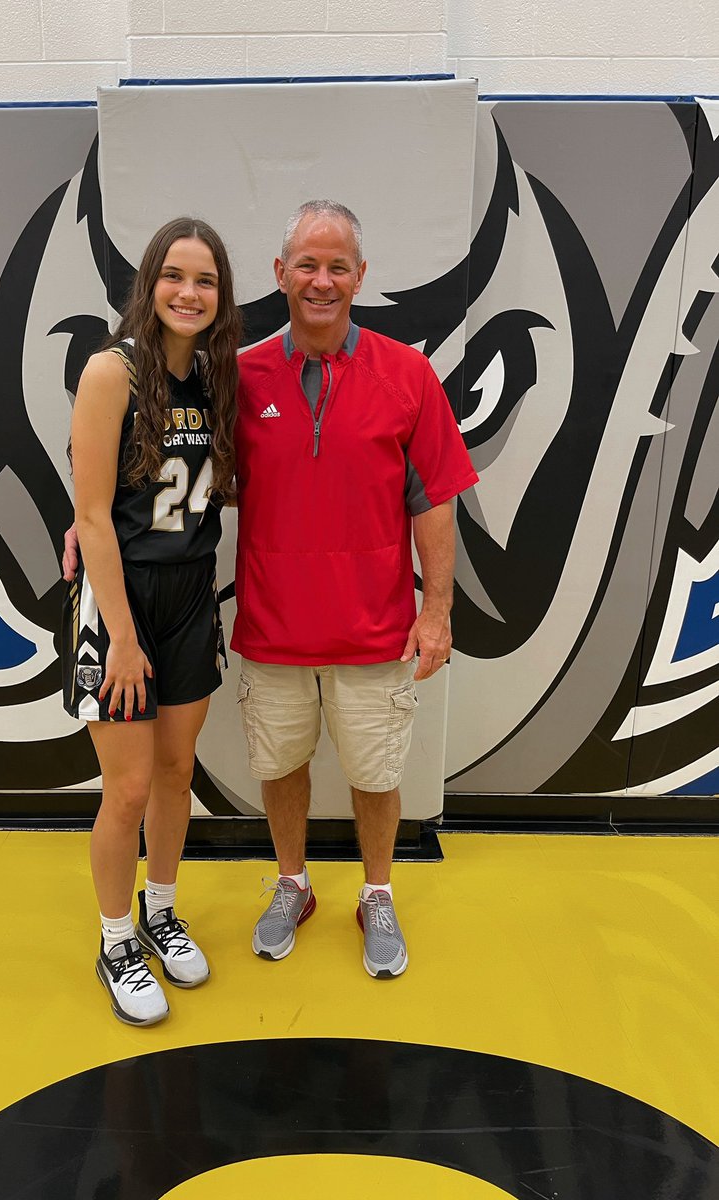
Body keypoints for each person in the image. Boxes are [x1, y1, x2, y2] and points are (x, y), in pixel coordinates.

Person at [233, 200, 478, 979]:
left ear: (361, 277)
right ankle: (292, 885)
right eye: (307, 263)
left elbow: (434, 499)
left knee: (377, 778)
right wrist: (91, 517)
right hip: (271, 630)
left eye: (338, 265)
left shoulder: (407, 375)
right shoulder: (239, 378)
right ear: (279, 275)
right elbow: (182, 474)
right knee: (279, 767)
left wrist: (436, 613)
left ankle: (376, 893)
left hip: (375, 631)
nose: (322, 279)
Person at [63, 216, 241, 1025]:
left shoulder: (215, 377)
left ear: (221, 296)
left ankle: (160, 910)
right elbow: (92, 517)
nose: (189, 292)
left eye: (205, 280)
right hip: (120, 601)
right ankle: (113, 942)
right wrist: (124, 639)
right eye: (175, 275)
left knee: (176, 776)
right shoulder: (112, 371)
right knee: (128, 787)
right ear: (149, 283)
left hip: (191, 592)